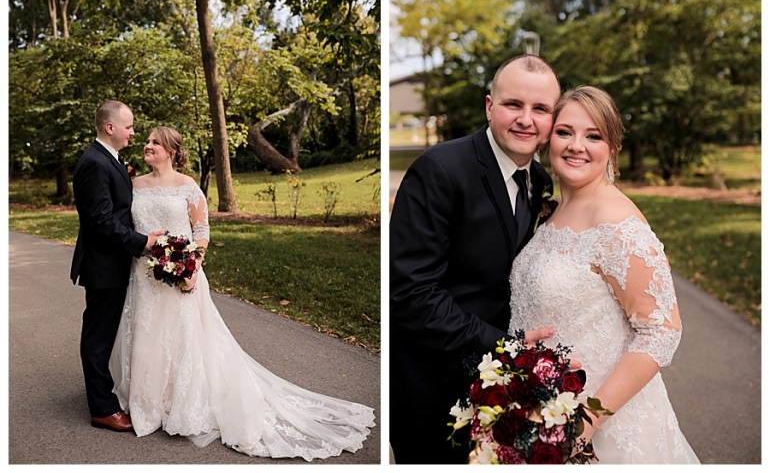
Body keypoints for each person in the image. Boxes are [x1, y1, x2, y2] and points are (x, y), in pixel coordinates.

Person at [109, 126, 375, 461]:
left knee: (185, 340)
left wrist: (192, 268)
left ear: (172, 151)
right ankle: (149, 403)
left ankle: (182, 402)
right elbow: (128, 231)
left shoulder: (188, 187)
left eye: (154, 143)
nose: (146, 146)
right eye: (146, 141)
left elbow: (201, 230)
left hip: (184, 277)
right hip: (144, 278)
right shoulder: (135, 186)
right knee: (147, 338)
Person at [508, 86, 699, 463]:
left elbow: (662, 331)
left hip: (600, 426)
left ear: (612, 148)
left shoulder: (618, 223)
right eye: (565, 132)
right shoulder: (554, 209)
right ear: (549, 140)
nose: (576, 145)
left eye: (593, 136)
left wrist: (585, 421)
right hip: (535, 409)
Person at [389, 54, 563, 464]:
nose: (526, 119)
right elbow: (411, 293)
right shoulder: (440, 170)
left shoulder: (538, 180)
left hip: (502, 391)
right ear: (489, 106)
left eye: (540, 109)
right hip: (433, 392)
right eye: (513, 105)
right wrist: (505, 347)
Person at [70, 100, 164, 432]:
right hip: (104, 265)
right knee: (97, 338)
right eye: (129, 126)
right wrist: (144, 242)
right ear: (111, 128)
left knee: (103, 333)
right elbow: (102, 223)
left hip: (114, 262)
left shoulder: (109, 160)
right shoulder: (95, 163)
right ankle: (102, 408)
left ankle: (106, 397)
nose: (133, 132)